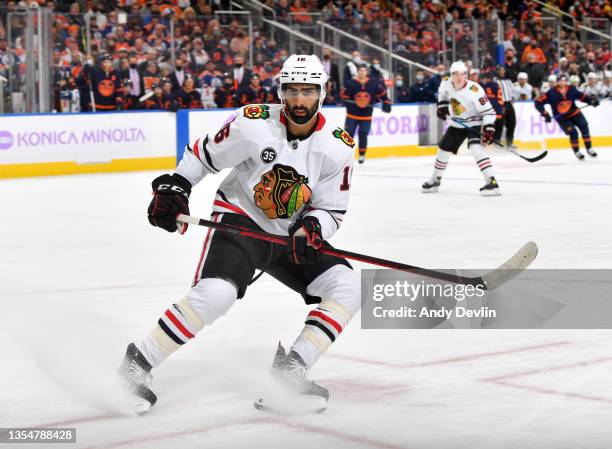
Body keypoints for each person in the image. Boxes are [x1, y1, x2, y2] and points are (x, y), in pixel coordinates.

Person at [119, 54, 360, 414]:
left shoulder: (338, 146)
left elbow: (332, 210)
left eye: (307, 91)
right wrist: (176, 187)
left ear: (321, 93)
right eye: (291, 90)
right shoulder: (254, 123)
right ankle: (136, 365)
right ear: (280, 92)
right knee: (217, 293)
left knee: (349, 286)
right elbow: (202, 155)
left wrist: (313, 228)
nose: (298, 100)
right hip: (241, 220)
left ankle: (290, 374)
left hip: (289, 235)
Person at [422, 61, 500, 196]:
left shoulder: (474, 89)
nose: (459, 78)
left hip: (475, 123)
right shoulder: (446, 83)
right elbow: (443, 94)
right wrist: (442, 106)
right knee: (443, 148)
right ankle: (436, 179)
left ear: (466, 75)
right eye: (456, 74)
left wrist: (489, 129)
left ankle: (492, 182)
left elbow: (489, 112)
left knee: (476, 148)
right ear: (451, 75)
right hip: (457, 123)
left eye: (462, 74)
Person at [534, 74, 599, 160]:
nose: (562, 82)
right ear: (557, 82)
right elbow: (538, 102)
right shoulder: (551, 93)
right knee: (573, 133)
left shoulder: (572, 89)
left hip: (575, 113)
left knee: (584, 127)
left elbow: (582, 96)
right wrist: (545, 113)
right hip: (562, 118)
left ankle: (589, 148)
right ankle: (577, 151)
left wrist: (591, 101)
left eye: (564, 80)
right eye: (560, 80)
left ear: (566, 81)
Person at [341, 63, 392, 164]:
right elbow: (343, 95)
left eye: (364, 70)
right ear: (358, 72)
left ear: (366, 72)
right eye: (360, 70)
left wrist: (387, 102)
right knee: (348, 134)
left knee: (363, 134)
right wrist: (345, 99)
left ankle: (362, 154)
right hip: (352, 114)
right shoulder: (351, 83)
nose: (362, 72)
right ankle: (345, 154)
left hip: (366, 115)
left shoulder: (373, 83)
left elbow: (383, 95)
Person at [494, 65, 517, 149]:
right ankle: (497, 142)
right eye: (499, 70)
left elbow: (513, 91)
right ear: (496, 71)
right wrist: (499, 105)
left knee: (512, 123)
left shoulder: (508, 80)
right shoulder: (494, 81)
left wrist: (512, 100)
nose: (501, 72)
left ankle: (509, 142)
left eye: (502, 70)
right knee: (499, 124)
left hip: (508, 103)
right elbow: (494, 94)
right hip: (500, 104)